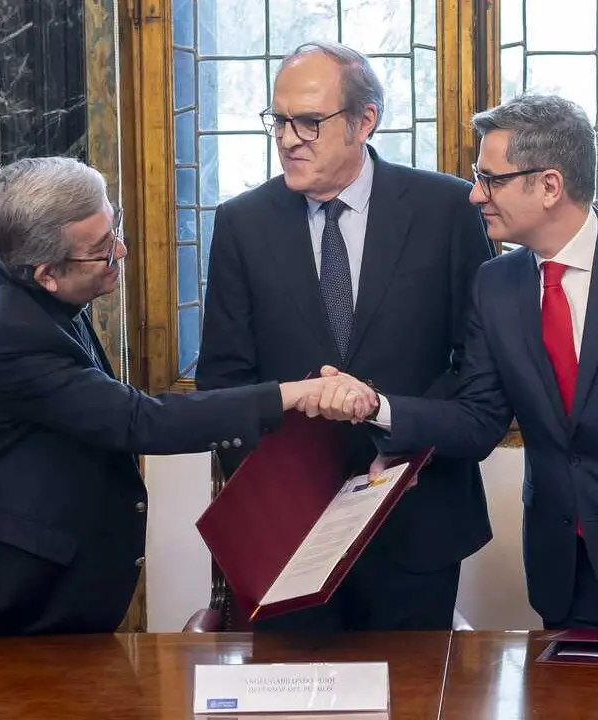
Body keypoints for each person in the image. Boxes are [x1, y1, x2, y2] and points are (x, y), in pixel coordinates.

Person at [310, 93, 598, 652]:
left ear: (549, 185)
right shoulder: (495, 285)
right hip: (564, 574)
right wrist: (378, 406)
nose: (475, 194)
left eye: (490, 179)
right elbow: (478, 419)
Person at [0, 156, 374, 640]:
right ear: (46, 273)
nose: (122, 251)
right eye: (102, 251)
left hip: (45, 574)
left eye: (114, 228)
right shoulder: (3, 332)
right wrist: (290, 395)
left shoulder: (27, 277)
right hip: (5, 593)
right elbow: (138, 420)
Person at [196, 41, 497, 632]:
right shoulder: (241, 223)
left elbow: (478, 368)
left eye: (309, 121)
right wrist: (284, 483)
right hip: (290, 536)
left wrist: (401, 433)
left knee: (413, 685)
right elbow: (223, 382)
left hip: (418, 519)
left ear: (365, 122)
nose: (288, 139)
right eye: (279, 120)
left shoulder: (446, 209)